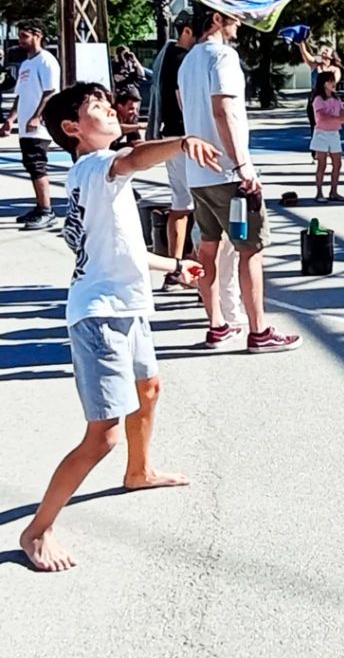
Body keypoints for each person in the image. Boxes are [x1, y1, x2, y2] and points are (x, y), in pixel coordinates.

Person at [20, 82, 215, 572]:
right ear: (72, 129)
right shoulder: (95, 166)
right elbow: (134, 157)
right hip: (100, 317)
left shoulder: (94, 182)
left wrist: (172, 266)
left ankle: (140, 470)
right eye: (99, 108)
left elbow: (121, 248)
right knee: (102, 435)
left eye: (110, 105)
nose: (111, 111)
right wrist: (181, 142)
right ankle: (37, 530)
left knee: (148, 389)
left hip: (125, 306)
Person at [177, 6, 302, 353]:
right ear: (216, 20)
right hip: (228, 173)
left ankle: (217, 325)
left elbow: (186, 105)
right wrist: (242, 163)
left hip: (198, 172)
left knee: (208, 249)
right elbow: (223, 109)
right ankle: (258, 331)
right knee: (251, 250)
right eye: (233, 17)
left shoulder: (187, 61)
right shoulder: (223, 56)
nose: (239, 25)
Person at [0, 20, 61, 230]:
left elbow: (50, 92)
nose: (21, 41)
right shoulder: (26, 64)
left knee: (37, 165)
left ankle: (47, 210)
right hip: (25, 127)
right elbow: (20, 96)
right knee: (30, 166)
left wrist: (37, 116)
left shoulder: (46, 61)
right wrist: (10, 119)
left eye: (24, 36)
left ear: (38, 35)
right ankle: (39, 207)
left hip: (39, 127)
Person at [155, 12, 197, 289]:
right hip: (187, 138)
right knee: (203, 205)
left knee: (180, 205)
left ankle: (174, 267)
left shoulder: (166, 56)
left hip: (170, 135)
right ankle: (198, 270)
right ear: (187, 32)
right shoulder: (184, 61)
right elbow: (184, 101)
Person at [311, 71, 344, 201]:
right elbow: (322, 118)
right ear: (323, 83)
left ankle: (334, 192)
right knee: (322, 164)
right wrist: (341, 119)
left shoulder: (337, 99)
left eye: (334, 81)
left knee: (337, 163)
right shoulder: (318, 99)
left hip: (334, 134)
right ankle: (319, 193)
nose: (333, 84)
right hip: (321, 133)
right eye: (330, 81)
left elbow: (342, 115)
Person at [298, 40, 342, 136]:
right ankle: (316, 150)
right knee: (315, 127)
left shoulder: (335, 70)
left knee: (329, 125)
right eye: (323, 50)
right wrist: (301, 43)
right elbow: (305, 54)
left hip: (328, 100)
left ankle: (329, 149)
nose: (324, 51)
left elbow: (334, 83)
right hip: (314, 98)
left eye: (327, 50)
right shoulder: (315, 65)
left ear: (331, 56)